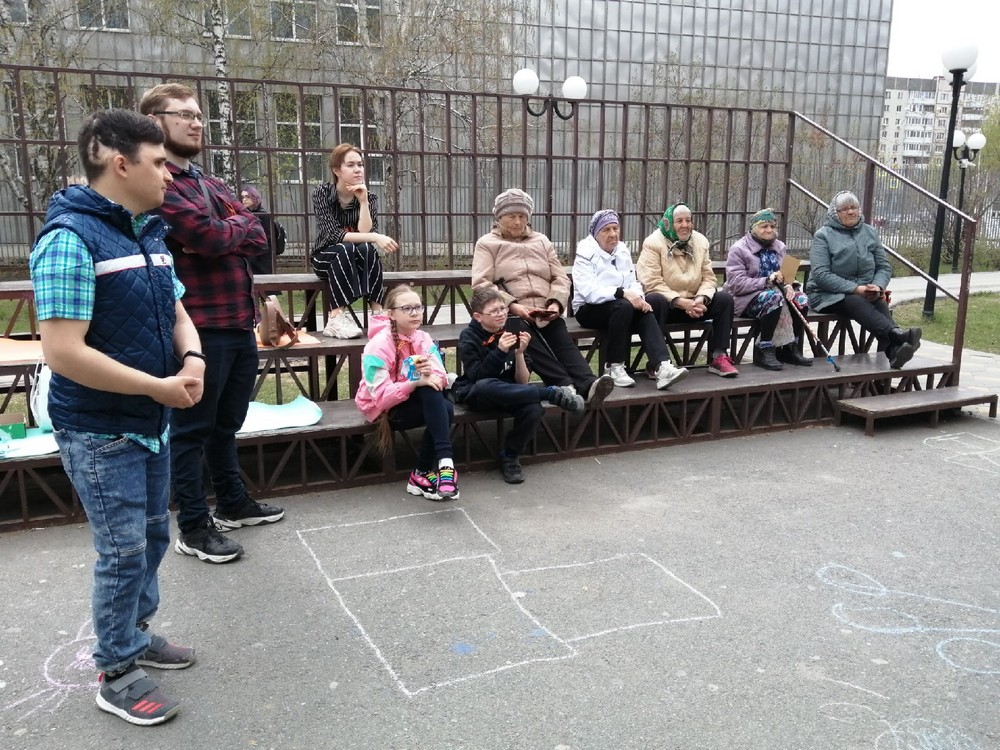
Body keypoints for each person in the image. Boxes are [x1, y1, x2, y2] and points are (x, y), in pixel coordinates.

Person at [30, 109, 203, 725]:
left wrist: (192, 357)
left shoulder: (147, 232)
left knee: (152, 536)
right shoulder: (69, 240)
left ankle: (134, 633)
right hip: (100, 430)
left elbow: (176, 308)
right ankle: (117, 670)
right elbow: (63, 352)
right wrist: (159, 387)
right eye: (158, 162)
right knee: (123, 551)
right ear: (119, 162)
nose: (170, 174)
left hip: (150, 420)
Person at [141, 82, 285, 565]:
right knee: (191, 431)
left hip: (238, 321)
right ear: (154, 122)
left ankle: (232, 503)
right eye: (183, 114)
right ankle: (194, 527)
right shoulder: (158, 182)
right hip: (196, 326)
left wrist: (228, 231)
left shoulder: (208, 181)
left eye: (198, 115)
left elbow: (258, 234)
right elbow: (207, 235)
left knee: (227, 425)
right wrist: (226, 231)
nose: (196, 122)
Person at [471, 188, 615, 406]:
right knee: (525, 337)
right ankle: (564, 385)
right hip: (510, 312)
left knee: (561, 338)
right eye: (512, 216)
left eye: (522, 216)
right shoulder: (487, 243)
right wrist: (513, 306)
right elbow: (481, 284)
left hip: (544, 307)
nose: (518, 222)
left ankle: (589, 384)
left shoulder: (541, 241)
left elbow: (560, 277)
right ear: (499, 217)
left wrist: (555, 302)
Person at [453, 287, 586, 484]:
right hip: (479, 394)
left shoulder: (512, 330)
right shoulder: (469, 336)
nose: (501, 314)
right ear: (478, 316)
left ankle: (510, 455)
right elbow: (477, 377)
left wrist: (519, 353)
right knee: (484, 385)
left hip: (511, 391)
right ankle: (549, 393)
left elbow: (522, 381)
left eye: (503, 309)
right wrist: (499, 351)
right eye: (494, 311)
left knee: (533, 409)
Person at [356, 285, 459, 500]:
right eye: (407, 308)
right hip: (384, 410)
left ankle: (437, 468)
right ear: (391, 314)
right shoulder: (378, 345)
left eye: (418, 307)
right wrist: (414, 383)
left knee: (440, 399)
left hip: (416, 402)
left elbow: (441, 377)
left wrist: (428, 374)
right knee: (437, 400)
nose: (415, 313)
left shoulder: (423, 337)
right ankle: (432, 469)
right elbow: (381, 398)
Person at [572, 209, 689, 389]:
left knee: (653, 302)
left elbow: (633, 281)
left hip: (620, 306)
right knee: (624, 306)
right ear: (596, 234)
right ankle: (614, 366)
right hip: (589, 309)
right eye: (606, 230)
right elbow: (589, 292)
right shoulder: (585, 253)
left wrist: (639, 298)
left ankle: (661, 366)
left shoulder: (622, 250)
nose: (613, 234)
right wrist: (622, 293)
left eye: (615, 228)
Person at [805, 191, 921, 369]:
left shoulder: (870, 232)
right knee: (855, 300)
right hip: (825, 295)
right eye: (845, 209)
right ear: (835, 213)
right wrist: (856, 289)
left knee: (879, 303)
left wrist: (878, 286)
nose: (851, 212)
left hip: (864, 293)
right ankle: (896, 335)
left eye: (854, 208)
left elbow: (883, 267)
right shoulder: (823, 235)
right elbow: (821, 275)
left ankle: (894, 351)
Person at [637, 202, 739, 377]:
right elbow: (651, 282)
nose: (685, 225)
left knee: (724, 299)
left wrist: (701, 298)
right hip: (668, 306)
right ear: (669, 223)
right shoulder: (653, 243)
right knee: (654, 300)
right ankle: (658, 364)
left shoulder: (700, 241)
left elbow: (709, 277)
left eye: (688, 220)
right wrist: (680, 302)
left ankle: (719, 356)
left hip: (696, 305)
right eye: (679, 221)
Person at [312, 143, 399, 339]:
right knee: (346, 247)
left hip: (355, 259)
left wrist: (363, 202)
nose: (358, 169)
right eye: (350, 165)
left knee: (366, 249)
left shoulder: (369, 197)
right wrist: (376, 237)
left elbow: (365, 231)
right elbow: (333, 234)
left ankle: (378, 315)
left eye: (360, 164)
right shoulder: (322, 193)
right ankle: (335, 319)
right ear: (337, 170)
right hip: (325, 259)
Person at [723, 208, 813, 370]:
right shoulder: (739, 249)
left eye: (772, 226)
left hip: (775, 292)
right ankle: (764, 349)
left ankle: (790, 347)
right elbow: (736, 283)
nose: (769, 230)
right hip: (745, 298)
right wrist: (766, 281)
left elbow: (786, 275)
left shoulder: (780, 246)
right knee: (773, 298)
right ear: (753, 228)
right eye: (764, 226)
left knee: (801, 299)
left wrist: (790, 286)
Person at [240, 185, 286, 275]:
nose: (244, 200)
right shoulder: (246, 213)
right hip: (251, 254)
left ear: (254, 197)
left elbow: (268, 237)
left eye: (247, 197)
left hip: (262, 256)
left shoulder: (262, 215)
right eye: (243, 197)